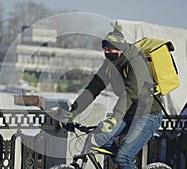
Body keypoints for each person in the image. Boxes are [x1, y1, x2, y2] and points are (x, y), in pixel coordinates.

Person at [63, 25, 163, 169]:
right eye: (105, 49)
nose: (107, 52)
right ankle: (126, 163)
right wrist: (73, 111)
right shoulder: (110, 65)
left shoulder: (136, 63)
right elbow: (93, 88)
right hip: (129, 113)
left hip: (148, 115)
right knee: (100, 136)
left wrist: (115, 118)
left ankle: (125, 160)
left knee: (123, 157)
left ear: (121, 49)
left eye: (110, 49)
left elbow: (129, 93)